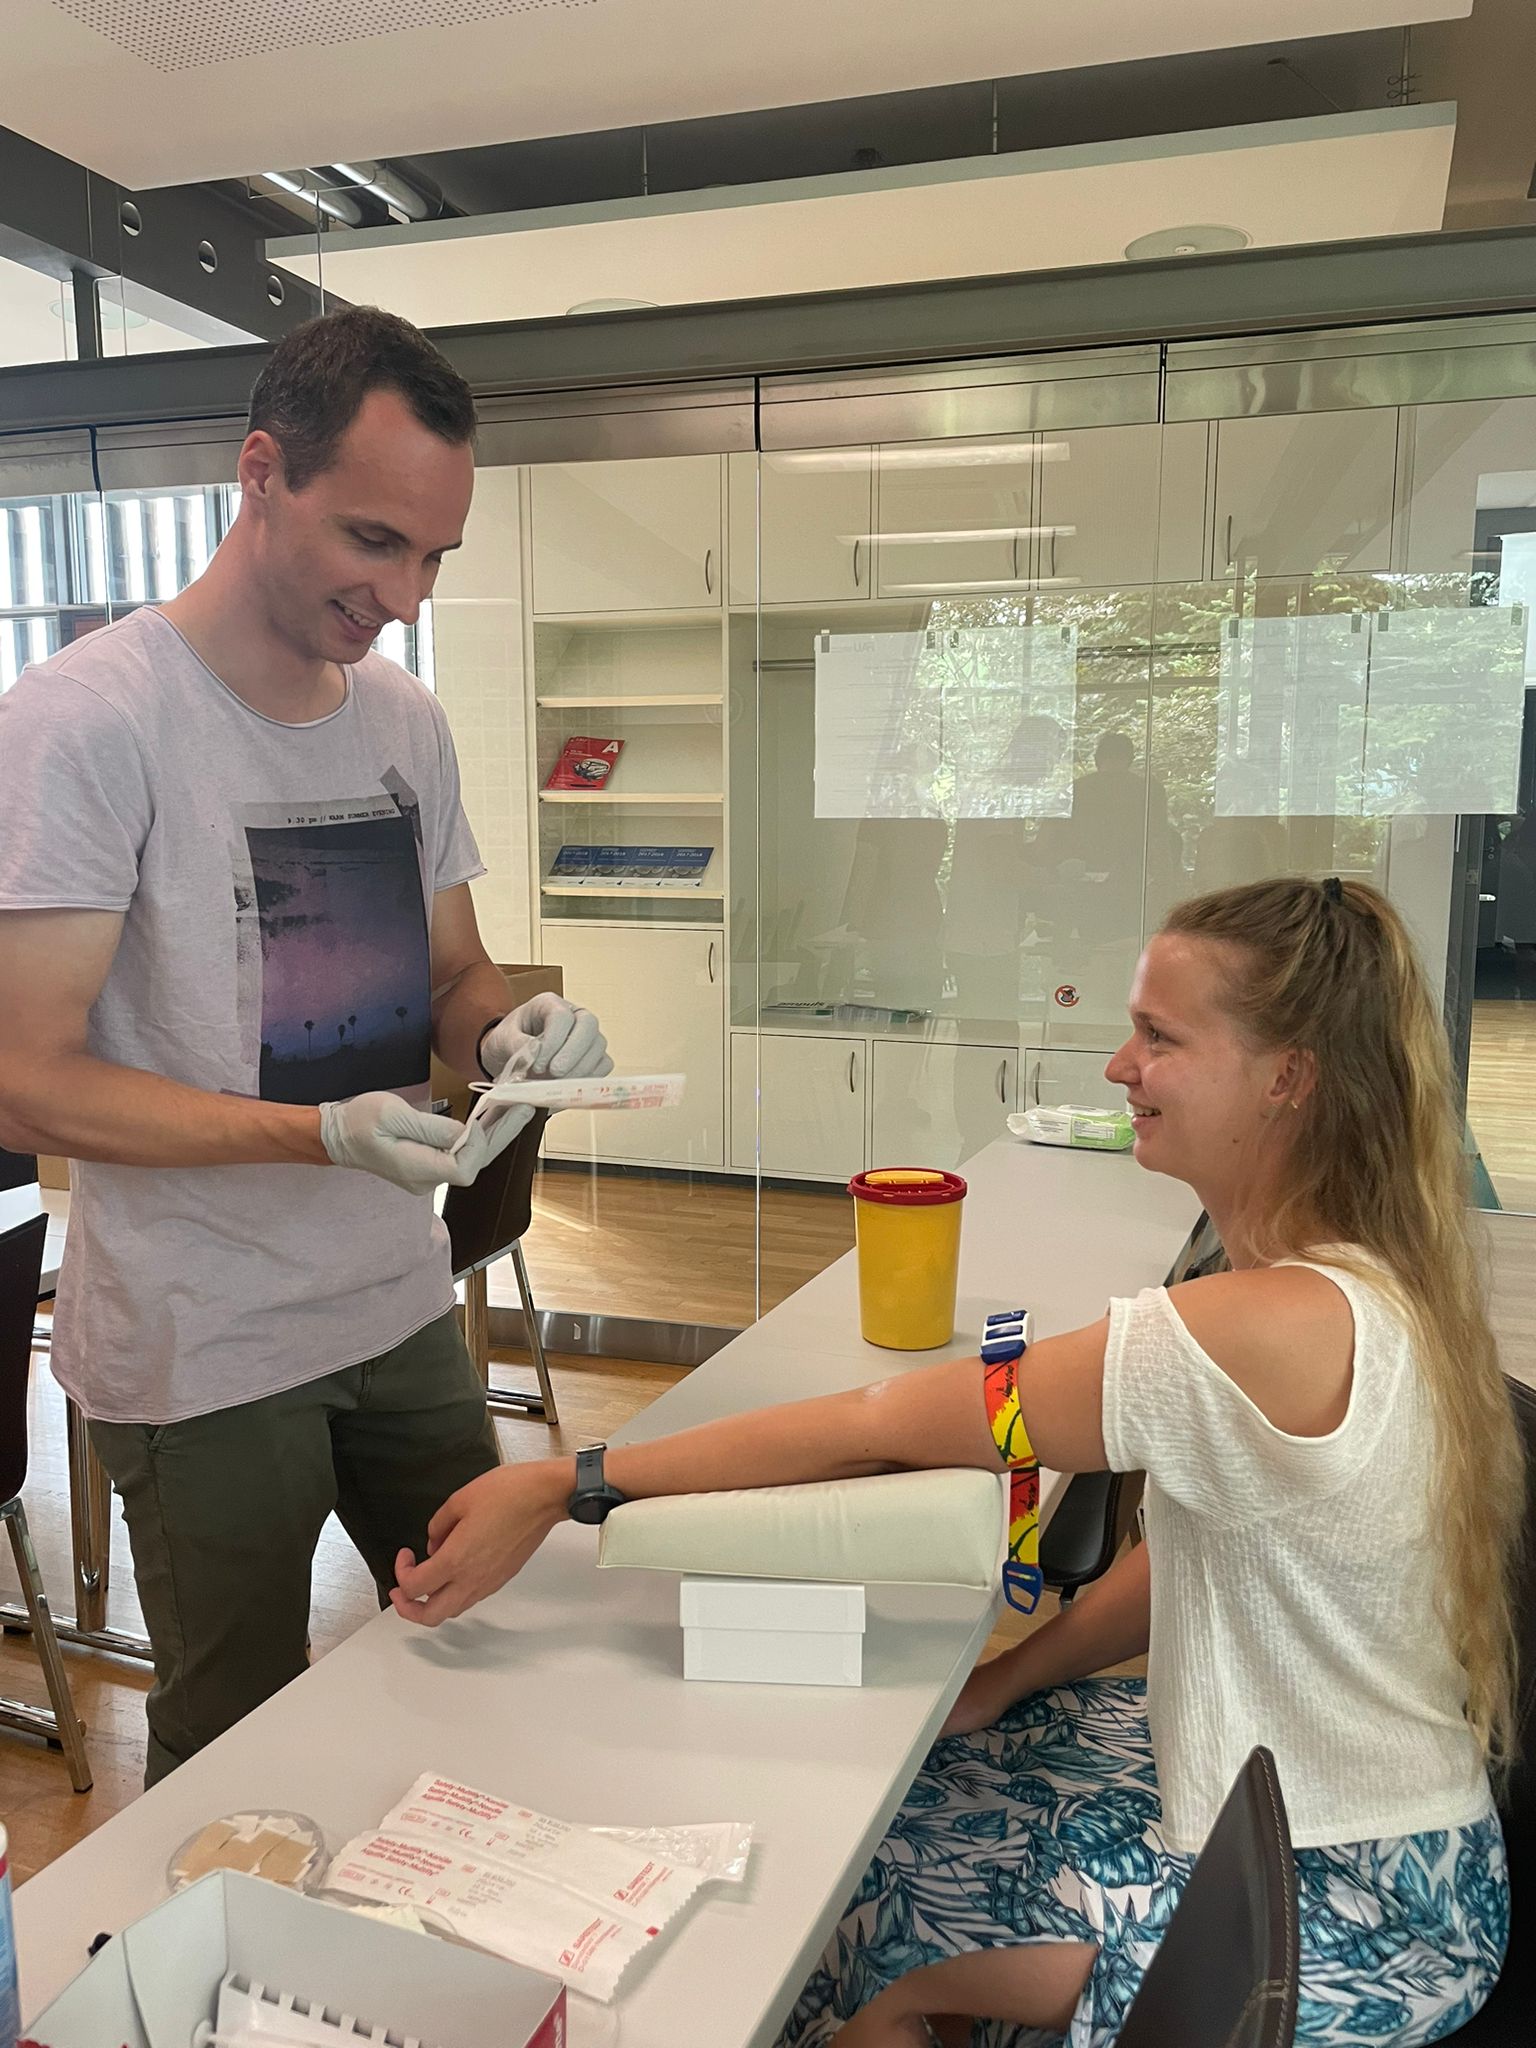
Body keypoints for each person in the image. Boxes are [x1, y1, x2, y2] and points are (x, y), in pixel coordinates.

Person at [390, 875, 1522, 2047]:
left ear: (1287, 1076)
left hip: (1342, 1902)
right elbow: (1201, 1548)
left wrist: (569, 1482)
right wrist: (1006, 1677)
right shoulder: (1351, 1278)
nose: (1119, 1066)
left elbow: (882, 1421)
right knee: (863, 1811)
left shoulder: (1248, 1329)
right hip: (1340, 1821)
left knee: (835, 1906)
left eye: (1160, 1036)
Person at [0, 306, 610, 1785]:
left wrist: (507, 1031)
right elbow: (27, 1074)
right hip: (205, 1346)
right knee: (240, 1739)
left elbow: (454, 972)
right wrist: (313, 1133)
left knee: (489, 1638)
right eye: (373, 541)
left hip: (392, 1305)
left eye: (434, 559)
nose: (401, 594)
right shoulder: (89, 724)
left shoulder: (402, 722)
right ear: (261, 472)